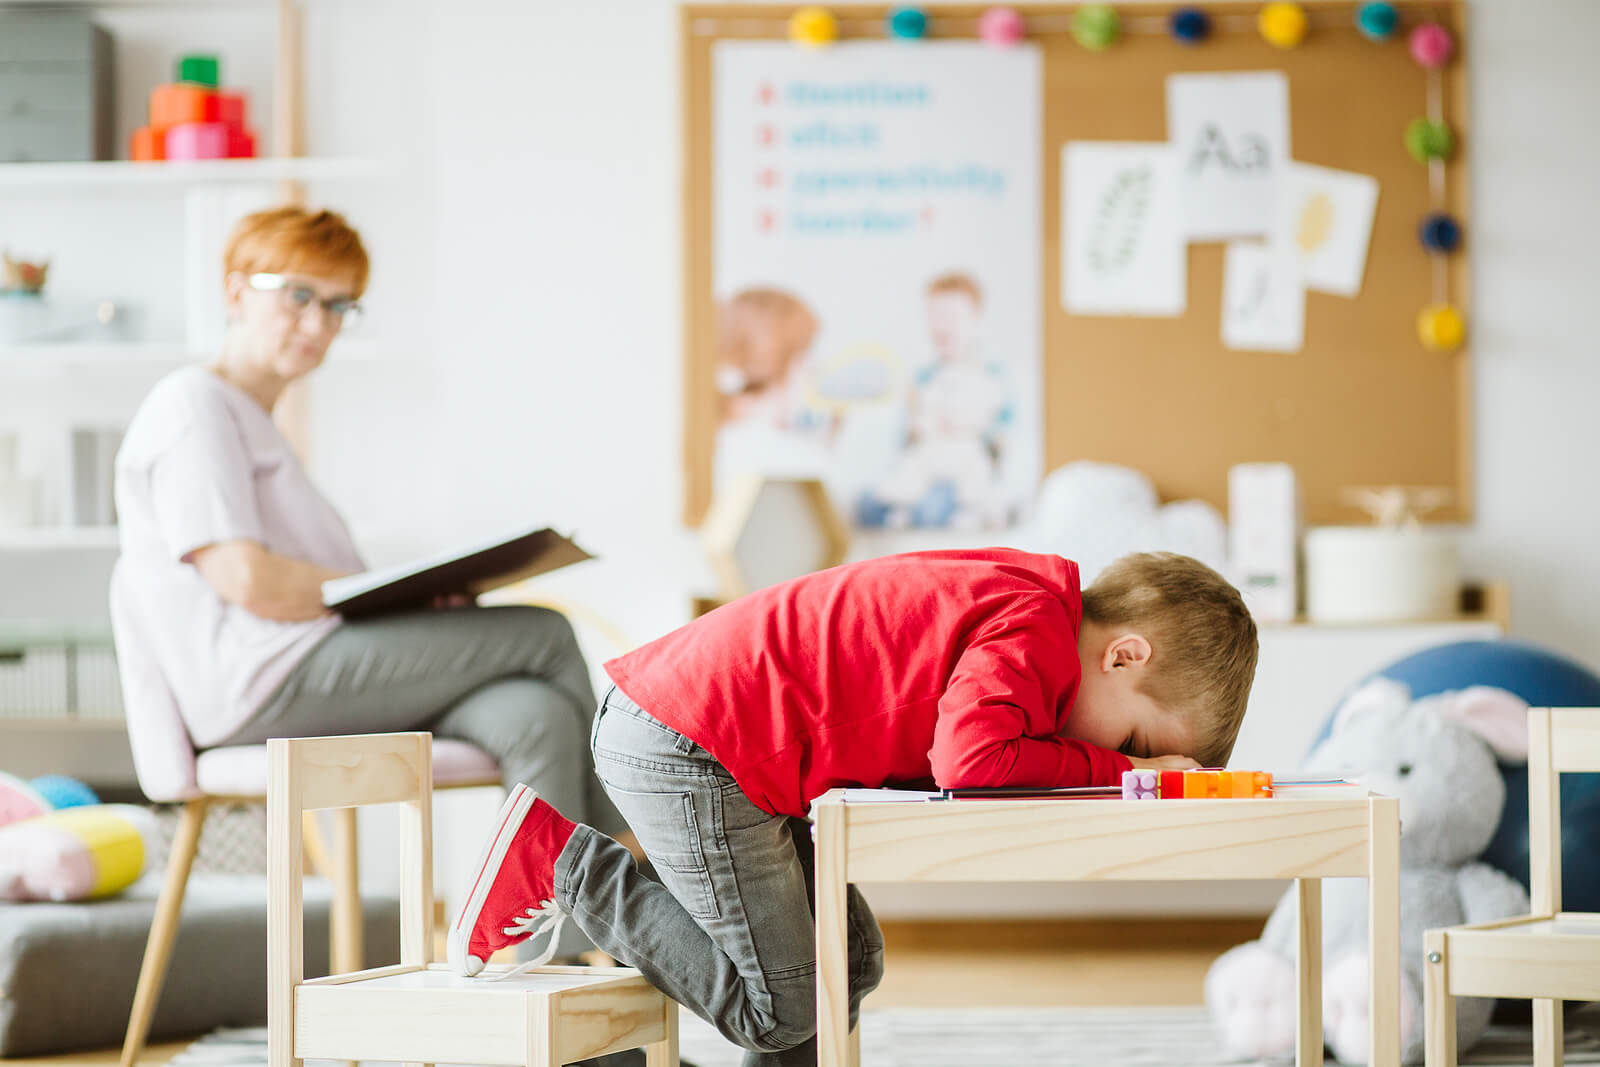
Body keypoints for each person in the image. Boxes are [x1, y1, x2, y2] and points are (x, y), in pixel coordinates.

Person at [446, 549, 1259, 1065]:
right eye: (1140, 741)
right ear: (1123, 655)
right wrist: (1115, 771)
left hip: (732, 750)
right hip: (693, 741)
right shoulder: (1038, 627)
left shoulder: (1032, 607)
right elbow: (970, 761)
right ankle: (564, 862)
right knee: (783, 1006)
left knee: (847, 962)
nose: (1128, 762)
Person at [110, 205, 633, 895]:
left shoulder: (254, 421)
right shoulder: (192, 406)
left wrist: (412, 597)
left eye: (338, 306)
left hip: (304, 666)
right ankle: (630, 868)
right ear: (236, 290)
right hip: (261, 678)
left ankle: (550, 960)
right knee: (545, 632)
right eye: (299, 294)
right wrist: (394, 595)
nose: (319, 322)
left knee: (536, 715)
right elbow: (248, 580)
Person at [858, 272, 1015, 529]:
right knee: (907, 478)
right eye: (935, 317)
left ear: (976, 322)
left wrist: (980, 430)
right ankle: (896, 506)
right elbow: (906, 435)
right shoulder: (923, 379)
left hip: (966, 458)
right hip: (929, 459)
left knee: (969, 485)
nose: (942, 326)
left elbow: (1002, 429)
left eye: (952, 318)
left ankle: (973, 510)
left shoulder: (991, 376)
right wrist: (918, 426)